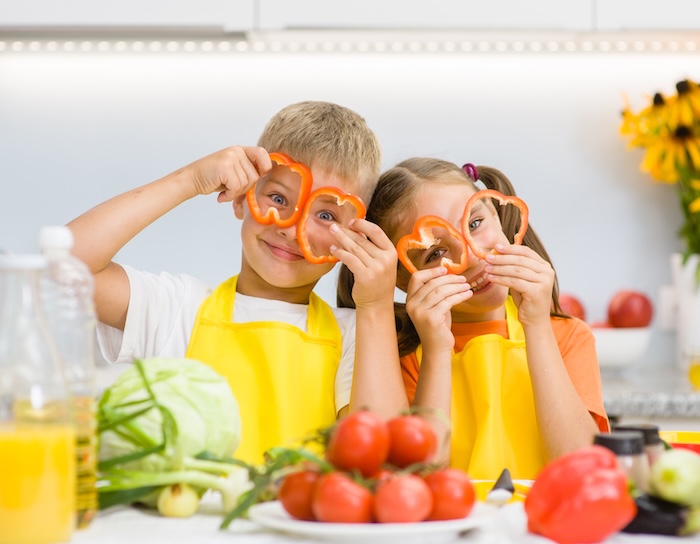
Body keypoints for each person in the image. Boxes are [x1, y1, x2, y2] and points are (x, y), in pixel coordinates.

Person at [68, 101, 407, 464]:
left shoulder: (358, 334)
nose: (292, 230)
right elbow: (63, 267)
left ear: (355, 234)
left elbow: (386, 458)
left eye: (325, 215)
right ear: (242, 199)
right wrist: (189, 179)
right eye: (278, 197)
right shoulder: (177, 309)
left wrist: (375, 305)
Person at [338, 157, 608, 480]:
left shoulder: (569, 336)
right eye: (435, 253)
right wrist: (436, 349)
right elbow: (417, 477)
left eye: (475, 224)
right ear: (400, 280)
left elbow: (582, 467)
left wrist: (535, 326)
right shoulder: (404, 355)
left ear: (496, 211)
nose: (470, 256)